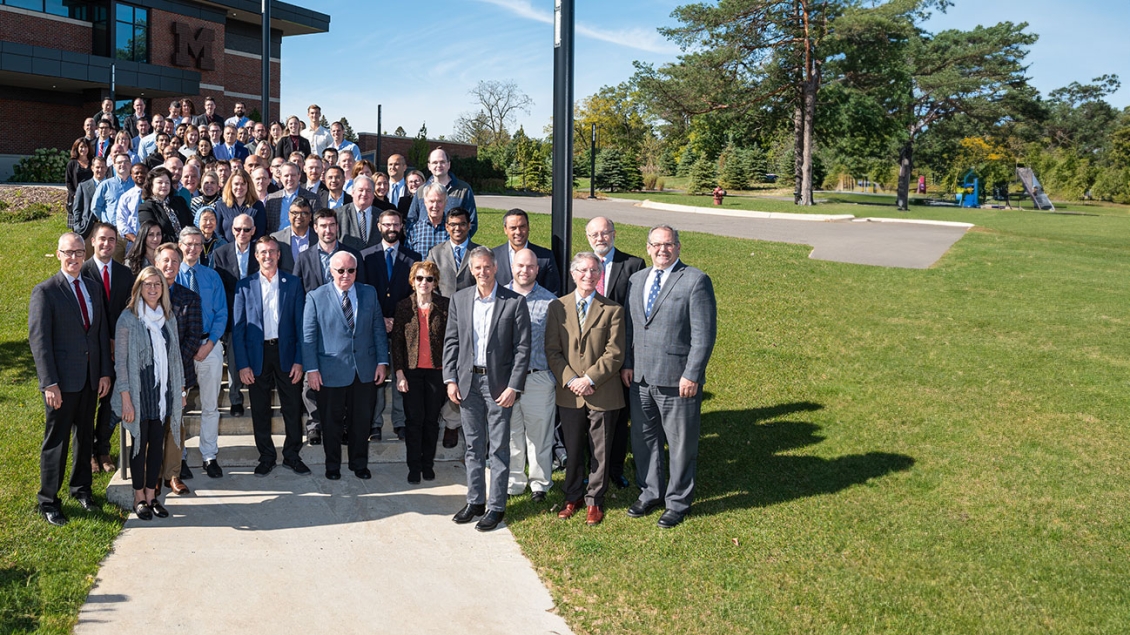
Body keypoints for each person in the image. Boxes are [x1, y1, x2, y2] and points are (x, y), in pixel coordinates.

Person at [622, 225, 718, 529]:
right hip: (640, 377)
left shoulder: (695, 281)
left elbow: (704, 335)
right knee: (644, 439)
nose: (662, 250)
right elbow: (629, 327)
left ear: (678, 247)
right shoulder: (637, 279)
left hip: (678, 381)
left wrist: (693, 374)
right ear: (648, 248)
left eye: (668, 244)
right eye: (656, 245)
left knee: (680, 444)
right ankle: (650, 492)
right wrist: (627, 363)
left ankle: (677, 502)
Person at [443, 246, 531, 532]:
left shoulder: (514, 302)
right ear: (471, 270)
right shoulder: (460, 299)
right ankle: (475, 501)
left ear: (496, 268)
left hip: (499, 386)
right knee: (473, 447)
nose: (483, 272)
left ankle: (496, 507)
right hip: (468, 385)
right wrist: (450, 379)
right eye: (477, 268)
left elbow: (522, 348)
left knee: (499, 449)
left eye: (487, 267)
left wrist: (514, 386)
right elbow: (452, 342)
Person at [29, 233, 112, 527]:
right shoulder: (46, 291)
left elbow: (100, 333)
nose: (74, 258)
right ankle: (49, 501)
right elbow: (40, 342)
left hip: (90, 379)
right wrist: (49, 383)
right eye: (68, 253)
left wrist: (103, 372)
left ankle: (81, 489)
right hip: (62, 384)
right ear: (58, 254)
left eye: (79, 252)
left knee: (84, 439)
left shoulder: (92, 286)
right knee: (57, 442)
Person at [545, 252, 626, 526]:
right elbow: (552, 351)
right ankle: (572, 496)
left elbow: (614, 353)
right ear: (572, 274)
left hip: (601, 392)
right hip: (569, 393)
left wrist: (588, 379)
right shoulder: (557, 307)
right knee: (573, 447)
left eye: (593, 270)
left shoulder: (613, 309)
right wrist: (571, 380)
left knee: (600, 451)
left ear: (600, 274)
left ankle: (594, 500)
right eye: (582, 270)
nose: (588, 275)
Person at [303, 251, 389, 480]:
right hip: (330, 371)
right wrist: (311, 369)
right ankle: (332, 466)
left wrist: (382, 362)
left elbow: (378, 330)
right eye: (340, 270)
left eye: (351, 270)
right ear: (330, 272)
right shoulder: (315, 297)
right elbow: (309, 337)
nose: (346, 275)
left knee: (361, 421)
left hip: (365, 369)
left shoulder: (369, 293)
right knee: (330, 424)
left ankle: (359, 464)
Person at [112, 266, 185, 521]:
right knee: (138, 447)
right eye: (147, 284)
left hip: (162, 395)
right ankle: (138, 496)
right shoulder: (128, 318)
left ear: (163, 289)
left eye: (157, 285)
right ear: (139, 288)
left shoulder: (168, 317)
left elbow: (174, 358)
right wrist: (126, 399)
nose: (152, 289)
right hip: (138, 393)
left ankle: (152, 496)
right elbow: (120, 363)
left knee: (157, 446)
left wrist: (180, 388)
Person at [234, 236, 310, 476]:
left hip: (286, 353)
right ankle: (266, 456)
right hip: (257, 355)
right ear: (256, 256)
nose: (267, 256)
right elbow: (238, 329)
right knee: (260, 408)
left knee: (292, 406)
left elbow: (301, 325)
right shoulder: (244, 286)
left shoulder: (293, 283)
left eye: (272, 252)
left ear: (279, 255)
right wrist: (243, 365)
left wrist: (300, 359)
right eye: (262, 252)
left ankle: (292, 455)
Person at [585, 216, 645, 488]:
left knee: (619, 416)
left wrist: (627, 361)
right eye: (595, 234)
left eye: (605, 233)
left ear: (614, 234)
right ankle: (591, 467)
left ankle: (616, 468)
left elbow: (636, 317)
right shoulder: (582, 266)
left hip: (619, 355)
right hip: (586, 357)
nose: (600, 238)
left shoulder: (633, 266)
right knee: (587, 417)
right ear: (588, 238)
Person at [503, 249, 557, 502]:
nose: (525, 270)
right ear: (512, 266)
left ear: (537, 269)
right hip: (506, 381)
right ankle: (514, 482)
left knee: (540, 435)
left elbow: (557, 344)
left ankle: (540, 484)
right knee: (511, 434)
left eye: (530, 266)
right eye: (520, 265)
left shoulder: (551, 302)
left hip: (538, 378)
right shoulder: (498, 296)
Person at [82, 223, 136, 474]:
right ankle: (86, 452)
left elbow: (129, 311)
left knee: (110, 403)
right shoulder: (82, 272)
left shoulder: (126, 275)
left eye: (112, 240)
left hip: (118, 350)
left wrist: (118, 340)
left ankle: (102, 448)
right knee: (87, 403)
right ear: (92, 241)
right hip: (89, 351)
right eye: (102, 239)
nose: (107, 244)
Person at [361, 210, 419, 441]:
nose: (392, 228)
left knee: (400, 374)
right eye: (387, 224)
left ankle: (400, 421)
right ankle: (374, 423)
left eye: (396, 224)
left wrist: (398, 318)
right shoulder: (365, 257)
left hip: (402, 326)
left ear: (402, 225)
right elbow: (363, 292)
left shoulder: (413, 258)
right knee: (376, 376)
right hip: (373, 325)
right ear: (379, 226)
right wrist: (379, 319)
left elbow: (416, 295)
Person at [424, 207, 477, 448]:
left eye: (462, 224)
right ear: (446, 227)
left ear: (469, 225)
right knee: (442, 370)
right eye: (453, 224)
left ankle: (452, 424)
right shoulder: (436, 252)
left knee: (461, 370)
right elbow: (430, 285)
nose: (457, 228)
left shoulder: (478, 252)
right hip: (441, 321)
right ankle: (437, 417)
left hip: (471, 321)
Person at [391, 261, 448, 483]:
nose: (424, 283)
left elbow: (452, 340)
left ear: (435, 282)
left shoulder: (445, 306)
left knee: (431, 421)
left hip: (437, 372)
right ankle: (414, 466)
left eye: (429, 279)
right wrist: (399, 374)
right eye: (420, 278)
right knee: (414, 421)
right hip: (411, 372)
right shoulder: (403, 306)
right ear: (413, 282)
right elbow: (396, 343)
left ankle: (427, 464)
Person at [154, 242, 202, 494]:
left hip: (179, 372)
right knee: (151, 424)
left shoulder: (190, 298)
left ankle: (172, 474)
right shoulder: (142, 295)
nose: (170, 265)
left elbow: (194, 337)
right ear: (156, 263)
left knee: (175, 425)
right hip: (149, 373)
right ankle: (153, 474)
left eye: (174, 261)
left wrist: (171, 363)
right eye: (165, 260)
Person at [213, 214, 259, 419]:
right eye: (238, 229)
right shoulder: (220, 253)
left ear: (253, 231)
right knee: (233, 359)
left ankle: (258, 396)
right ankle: (236, 399)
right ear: (232, 230)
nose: (242, 233)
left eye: (246, 230)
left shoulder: (261, 251)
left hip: (258, 314)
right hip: (232, 314)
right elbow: (218, 288)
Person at [407, 148, 478, 236]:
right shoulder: (421, 191)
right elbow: (411, 220)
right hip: (425, 245)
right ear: (429, 166)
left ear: (449, 165)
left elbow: (472, 222)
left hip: (452, 247)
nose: (439, 165)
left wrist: (458, 242)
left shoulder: (463, 190)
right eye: (435, 162)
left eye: (442, 162)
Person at [492, 208, 561, 294]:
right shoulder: (493, 256)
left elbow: (553, 293)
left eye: (522, 227)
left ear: (528, 227)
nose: (518, 232)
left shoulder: (545, 257)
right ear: (505, 230)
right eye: (513, 228)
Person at [137, 167, 193, 244]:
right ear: (151, 185)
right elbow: (152, 234)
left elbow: (190, 224)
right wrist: (180, 242)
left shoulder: (180, 201)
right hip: (164, 249)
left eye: (167, 182)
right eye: (160, 182)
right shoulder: (146, 208)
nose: (164, 185)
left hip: (187, 246)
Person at [214, 169, 267, 241]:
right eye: (236, 184)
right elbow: (217, 232)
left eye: (243, 184)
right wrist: (228, 248)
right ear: (230, 185)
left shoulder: (257, 206)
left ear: (248, 185)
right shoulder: (221, 205)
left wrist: (248, 248)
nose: (239, 187)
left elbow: (260, 233)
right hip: (226, 249)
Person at [264, 162, 315, 232]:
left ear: (299, 176)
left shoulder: (312, 198)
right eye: (286, 175)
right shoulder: (271, 199)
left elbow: (315, 225)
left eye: (293, 175)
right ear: (281, 177)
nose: (290, 178)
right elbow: (268, 226)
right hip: (277, 240)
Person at [71, 156, 108, 250]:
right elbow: (77, 209)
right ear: (92, 168)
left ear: (106, 168)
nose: (100, 170)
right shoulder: (83, 186)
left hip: (106, 227)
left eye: (102, 167)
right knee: (88, 259)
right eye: (97, 167)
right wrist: (78, 226)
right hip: (87, 228)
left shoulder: (111, 186)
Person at [338, 175, 382, 251]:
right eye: (361, 190)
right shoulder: (338, 215)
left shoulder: (381, 216)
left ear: (373, 195)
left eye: (368, 191)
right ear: (352, 192)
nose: (364, 194)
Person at [406, 182, 450, 257]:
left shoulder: (452, 229)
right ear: (425, 202)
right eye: (431, 201)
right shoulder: (415, 229)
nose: (435, 206)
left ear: (445, 203)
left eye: (439, 201)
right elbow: (408, 258)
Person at [273, 197, 313, 274]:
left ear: (310, 216)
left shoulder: (319, 239)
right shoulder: (277, 239)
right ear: (289, 215)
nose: (299, 217)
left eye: (304, 213)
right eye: (295, 213)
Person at [116, 163, 149, 250]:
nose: (140, 175)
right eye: (136, 173)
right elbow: (121, 220)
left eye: (143, 173)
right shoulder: (126, 197)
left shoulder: (154, 195)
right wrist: (134, 239)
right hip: (132, 243)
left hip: (152, 241)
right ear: (131, 175)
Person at [66, 138, 94, 217]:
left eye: (86, 147)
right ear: (77, 148)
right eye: (81, 147)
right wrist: (74, 194)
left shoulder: (93, 162)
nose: (84, 149)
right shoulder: (72, 163)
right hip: (76, 196)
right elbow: (68, 181)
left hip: (90, 195)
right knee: (76, 220)